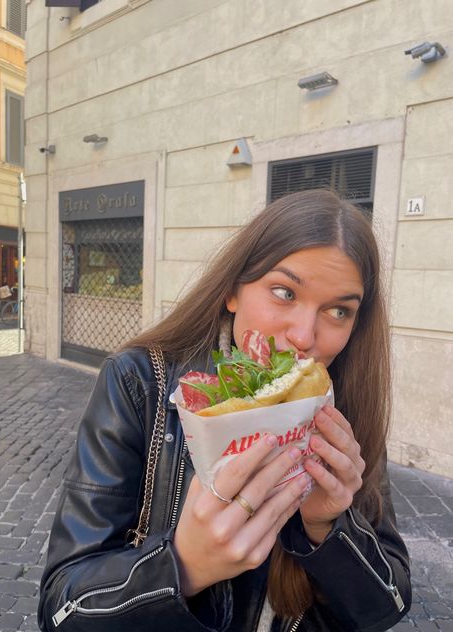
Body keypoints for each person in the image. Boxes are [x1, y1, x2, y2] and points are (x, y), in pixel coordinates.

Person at [38, 189, 411, 632]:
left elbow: (387, 605)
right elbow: (61, 609)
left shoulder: (344, 414)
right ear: (233, 291)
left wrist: (327, 527)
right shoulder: (142, 382)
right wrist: (184, 566)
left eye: (338, 311)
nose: (305, 336)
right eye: (284, 292)